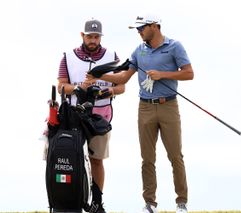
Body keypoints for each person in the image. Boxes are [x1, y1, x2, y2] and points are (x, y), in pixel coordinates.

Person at [86, 14, 194, 213]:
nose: (138, 32)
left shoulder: (174, 46)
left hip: (168, 105)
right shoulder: (139, 51)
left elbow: (189, 73)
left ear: (154, 26)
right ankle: (149, 204)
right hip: (144, 107)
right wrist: (98, 77)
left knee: (175, 156)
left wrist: (163, 74)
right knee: (147, 158)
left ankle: (181, 203)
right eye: (137, 29)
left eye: (141, 28)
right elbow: (123, 78)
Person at [57, 18, 125, 213]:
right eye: (90, 36)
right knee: (72, 157)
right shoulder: (68, 57)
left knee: (97, 160)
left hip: (101, 116)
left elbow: (121, 85)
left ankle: (97, 202)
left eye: (96, 36)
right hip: (74, 115)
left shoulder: (112, 56)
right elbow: (61, 85)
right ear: (82, 36)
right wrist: (79, 88)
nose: (93, 40)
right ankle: (72, 200)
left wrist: (110, 91)